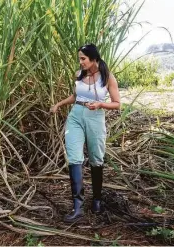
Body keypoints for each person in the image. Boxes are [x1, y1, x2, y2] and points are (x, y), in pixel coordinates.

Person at [49, 44, 121, 223]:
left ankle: (96, 200)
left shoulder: (107, 77)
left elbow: (117, 103)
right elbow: (76, 96)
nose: (80, 62)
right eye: (79, 58)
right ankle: (78, 207)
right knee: (74, 158)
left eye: (83, 58)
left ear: (94, 58)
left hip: (95, 117)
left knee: (96, 158)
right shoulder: (79, 75)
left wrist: (101, 104)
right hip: (75, 116)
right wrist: (59, 104)